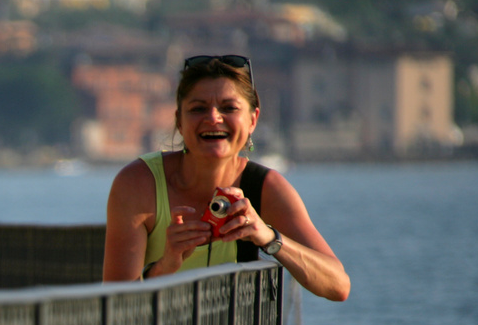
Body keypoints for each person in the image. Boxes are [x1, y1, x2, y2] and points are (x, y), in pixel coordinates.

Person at [102, 54, 351, 302]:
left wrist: (268, 237)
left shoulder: (266, 188)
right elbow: (115, 304)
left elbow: (338, 286)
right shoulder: (138, 182)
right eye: (198, 108)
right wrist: (166, 265)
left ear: (252, 120)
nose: (213, 118)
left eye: (229, 108)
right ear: (179, 121)